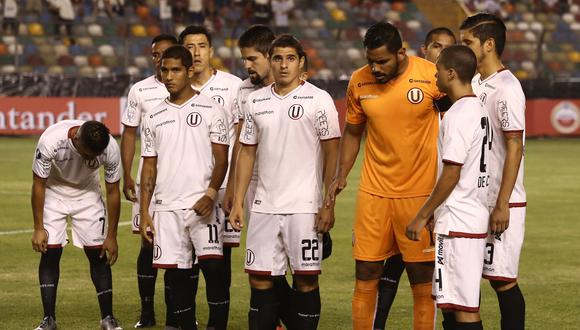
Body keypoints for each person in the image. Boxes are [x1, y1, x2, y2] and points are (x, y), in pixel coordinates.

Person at [326, 22, 445, 330]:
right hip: (374, 193)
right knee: (365, 273)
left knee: (421, 279)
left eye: (383, 61)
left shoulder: (431, 75)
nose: (375, 68)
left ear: (401, 53)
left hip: (420, 195)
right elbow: (353, 131)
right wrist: (341, 174)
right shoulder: (359, 81)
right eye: (371, 61)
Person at [229, 34, 341, 330]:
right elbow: (246, 153)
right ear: (271, 61)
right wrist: (238, 201)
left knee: (305, 279)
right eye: (277, 58)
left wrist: (328, 203)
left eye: (290, 58)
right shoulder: (255, 101)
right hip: (264, 206)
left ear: (301, 62)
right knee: (260, 279)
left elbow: (333, 154)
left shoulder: (319, 100)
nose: (283, 64)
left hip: (304, 207)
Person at [139, 45, 230, 330]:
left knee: (214, 268)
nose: (168, 76)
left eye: (175, 70)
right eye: (164, 70)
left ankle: (217, 325)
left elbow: (222, 159)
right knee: (176, 275)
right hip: (166, 208)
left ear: (189, 71)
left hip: (202, 205)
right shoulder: (152, 116)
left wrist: (211, 193)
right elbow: (149, 167)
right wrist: (144, 211)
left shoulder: (211, 109)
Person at [406, 45, 491, 330]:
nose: (435, 73)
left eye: (438, 68)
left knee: (464, 311)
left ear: (451, 73)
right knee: (455, 307)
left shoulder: (457, 115)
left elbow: (452, 172)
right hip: (470, 216)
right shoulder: (478, 107)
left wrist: (421, 214)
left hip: (458, 222)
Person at [461, 12, 527, 330]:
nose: (464, 48)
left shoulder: (507, 88)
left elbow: (515, 146)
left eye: (468, 42)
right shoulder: (474, 83)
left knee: (502, 281)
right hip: (476, 198)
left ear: (489, 44)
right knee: (469, 282)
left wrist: (503, 203)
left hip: (503, 201)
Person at [31, 120, 122, 330]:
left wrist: (112, 236)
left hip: (88, 194)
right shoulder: (50, 141)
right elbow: (38, 184)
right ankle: (48, 320)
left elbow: (113, 192)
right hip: (54, 193)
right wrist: (38, 228)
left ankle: (108, 318)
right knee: (50, 252)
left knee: (98, 254)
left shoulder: (109, 148)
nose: (91, 159)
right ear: (76, 139)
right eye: (88, 154)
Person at [179, 25, 241, 326]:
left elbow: (242, 138)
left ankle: (218, 322)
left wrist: (231, 189)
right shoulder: (173, 88)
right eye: (189, 46)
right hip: (183, 189)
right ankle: (183, 320)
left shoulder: (233, 86)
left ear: (211, 51)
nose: (196, 52)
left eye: (202, 45)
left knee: (219, 262)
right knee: (183, 261)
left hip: (221, 188)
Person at [120, 33, 178, 329]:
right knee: (147, 243)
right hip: (148, 178)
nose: (159, 60)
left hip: (180, 178)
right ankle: (147, 312)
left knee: (176, 247)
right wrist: (127, 172)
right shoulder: (140, 91)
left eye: (166, 54)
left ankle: (173, 314)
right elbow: (129, 132)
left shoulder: (188, 88)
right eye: (155, 55)